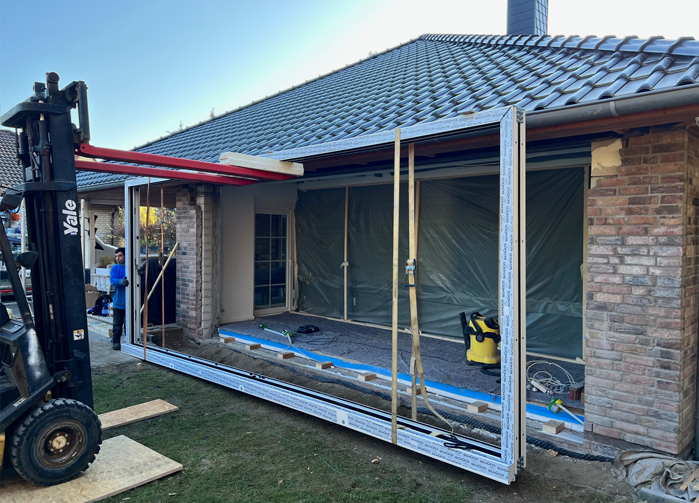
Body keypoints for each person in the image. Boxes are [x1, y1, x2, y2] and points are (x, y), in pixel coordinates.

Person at [110, 247, 128, 350]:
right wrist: (121, 282)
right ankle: (116, 342)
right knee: (117, 325)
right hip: (118, 302)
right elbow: (112, 281)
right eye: (116, 256)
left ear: (125, 256)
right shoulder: (115, 268)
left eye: (120, 256)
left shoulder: (130, 268)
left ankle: (128, 342)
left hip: (129, 303)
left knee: (128, 325)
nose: (118, 258)